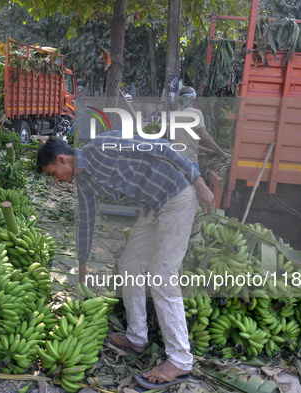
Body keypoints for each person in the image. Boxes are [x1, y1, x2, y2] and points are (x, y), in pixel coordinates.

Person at [37, 132, 215, 389]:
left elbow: (162, 147)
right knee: (129, 263)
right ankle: (137, 338)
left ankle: (180, 360)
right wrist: (83, 267)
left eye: (53, 173)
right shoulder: (84, 183)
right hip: (154, 206)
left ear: (63, 160)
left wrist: (199, 183)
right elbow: (86, 221)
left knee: (161, 275)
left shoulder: (101, 147)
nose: (55, 181)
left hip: (177, 195)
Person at [172, 86, 231, 171]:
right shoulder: (196, 113)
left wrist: (208, 151)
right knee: (195, 184)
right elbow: (205, 137)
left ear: (179, 101)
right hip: (189, 161)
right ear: (193, 100)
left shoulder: (175, 115)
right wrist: (222, 153)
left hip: (174, 160)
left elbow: (186, 143)